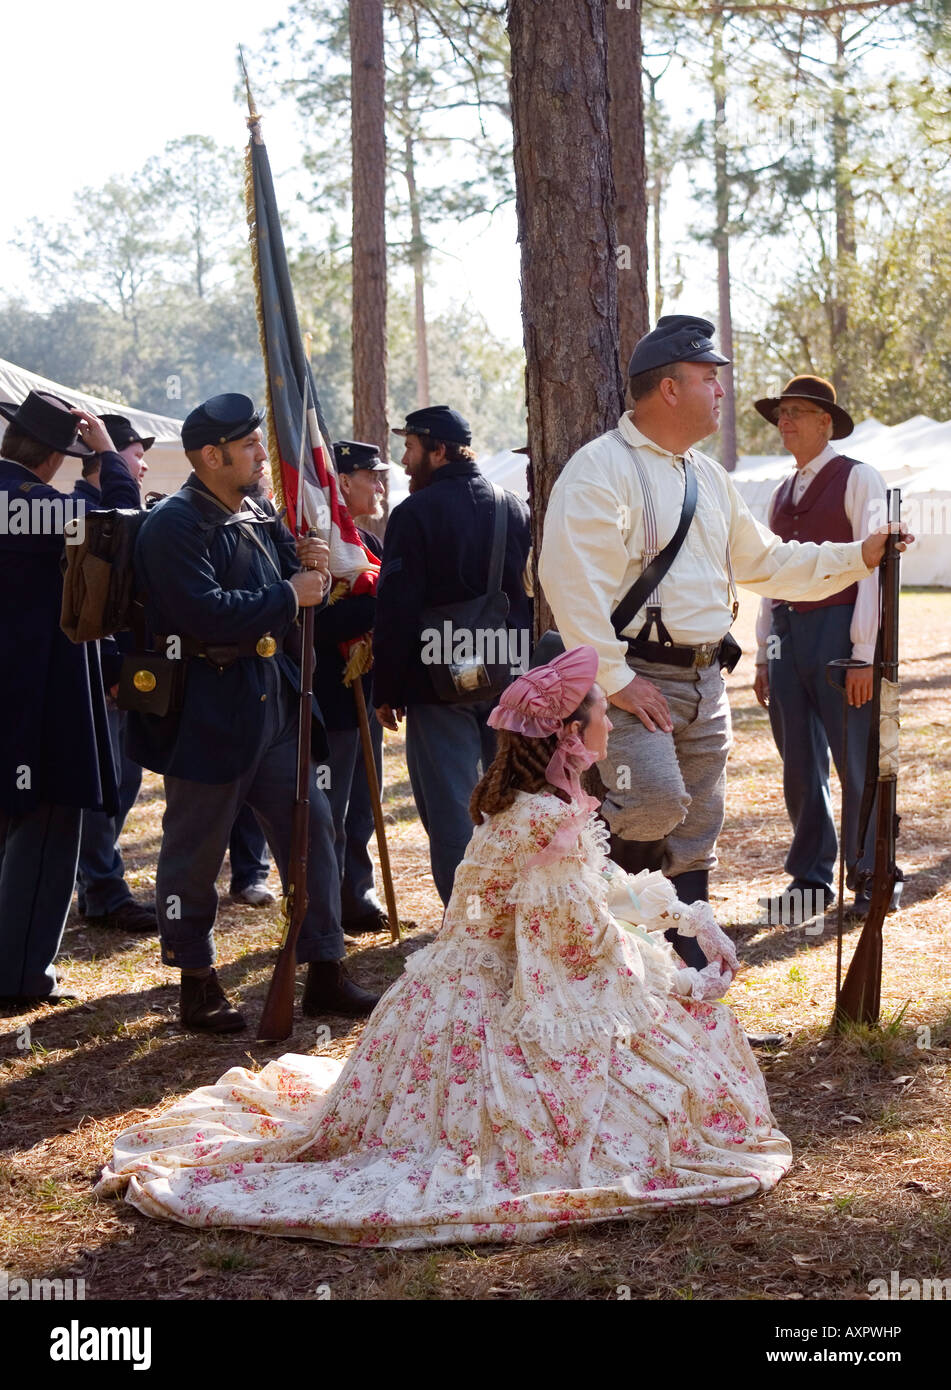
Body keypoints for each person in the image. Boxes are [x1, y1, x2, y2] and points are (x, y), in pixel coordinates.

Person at [97, 646, 792, 1248]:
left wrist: (686, 917)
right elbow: (575, 952)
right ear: (569, 735)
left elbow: (594, 886)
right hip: (487, 1004)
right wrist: (675, 983)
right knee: (667, 1072)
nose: (612, 720)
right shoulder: (544, 820)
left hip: (450, 992)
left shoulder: (541, 806)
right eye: (601, 711)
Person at [539, 315, 906, 945]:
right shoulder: (599, 469)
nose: (722, 392)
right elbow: (569, 583)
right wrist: (618, 680)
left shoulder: (709, 478)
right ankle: (618, 952)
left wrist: (858, 556)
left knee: (698, 826)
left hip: (707, 678)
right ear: (671, 390)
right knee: (651, 803)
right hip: (634, 676)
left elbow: (768, 562)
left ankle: (685, 974)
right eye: (710, 379)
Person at [126, 393, 378, 1033]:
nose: (263, 455)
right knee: (193, 852)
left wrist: (309, 572)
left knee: (313, 835)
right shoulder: (173, 525)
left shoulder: (258, 513)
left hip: (274, 704)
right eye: (249, 446)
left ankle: (324, 966)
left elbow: (285, 595)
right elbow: (203, 611)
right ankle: (196, 978)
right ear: (211, 456)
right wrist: (287, 592)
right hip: (206, 710)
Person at [0, 392, 140, 1006]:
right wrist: (107, 455)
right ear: (57, 457)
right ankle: (21, 974)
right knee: (47, 829)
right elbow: (121, 518)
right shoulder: (43, 508)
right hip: (41, 699)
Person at [373, 405, 532, 905]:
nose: (403, 459)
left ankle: (468, 935)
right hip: (508, 675)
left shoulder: (413, 513)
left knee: (451, 816)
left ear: (438, 450)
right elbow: (526, 600)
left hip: (436, 682)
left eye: (411, 447)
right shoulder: (514, 506)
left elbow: (396, 608)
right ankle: (517, 923)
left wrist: (388, 689)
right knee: (512, 809)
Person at [751, 377, 888, 924]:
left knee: (856, 761)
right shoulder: (780, 493)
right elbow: (770, 572)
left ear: (826, 422)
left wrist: (864, 652)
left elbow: (877, 570)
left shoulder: (858, 478)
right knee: (800, 766)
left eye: (799, 413)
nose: (787, 422)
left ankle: (871, 875)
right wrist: (764, 652)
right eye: (782, 413)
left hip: (839, 630)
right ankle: (810, 880)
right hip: (788, 631)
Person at [72, 415, 156, 933]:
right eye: (132, 454)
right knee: (103, 791)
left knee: (122, 784)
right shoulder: (87, 511)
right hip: (103, 678)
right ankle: (103, 889)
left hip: (128, 677)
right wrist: (111, 671)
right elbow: (89, 611)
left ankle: (98, 883)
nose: (142, 464)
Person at [314, 440, 388, 933]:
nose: (380, 485)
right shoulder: (316, 545)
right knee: (330, 809)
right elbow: (320, 623)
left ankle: (357, 896)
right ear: (343, 482)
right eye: (371, 476)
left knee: (363, 802)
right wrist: (387, 600)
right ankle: (325, 904)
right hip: (329, 698)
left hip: (365, 690)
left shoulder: (368, 545)